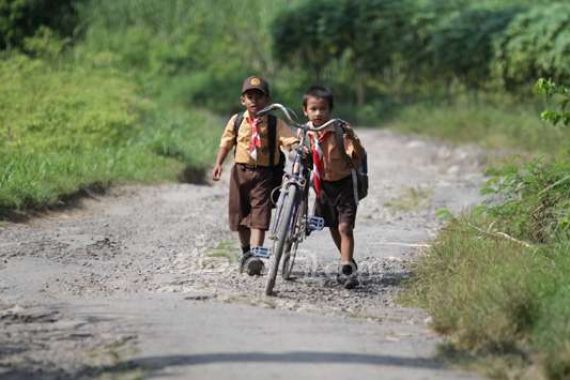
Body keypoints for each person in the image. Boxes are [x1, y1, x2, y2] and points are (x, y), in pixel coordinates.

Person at [211, 76, 297, 276]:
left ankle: (256, 257)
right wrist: (218, 164)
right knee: (240, 214)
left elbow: (288, 139)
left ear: (266, 100)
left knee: (260, 215)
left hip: (264, 174)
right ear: (243, 100)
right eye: (249, 97)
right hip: (240, 172)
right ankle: (246, 252)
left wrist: (297, 146)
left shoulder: (275, 123)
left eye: (259, 97)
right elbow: (226, 142)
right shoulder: (237, 120)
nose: (254, 101)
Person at [303, 85, 366, 289]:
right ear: (305, 110)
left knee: (345, 226)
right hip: (323, 186)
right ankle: (348, 262)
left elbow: (357, 154)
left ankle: (345, 265)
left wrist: (352, 137)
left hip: (345, 183)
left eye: (323, 109)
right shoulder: (305, 131)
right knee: (331, 224)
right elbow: (300, 152)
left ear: (330, 110)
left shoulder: (340, 129)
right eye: (313, 109)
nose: (318, 113)